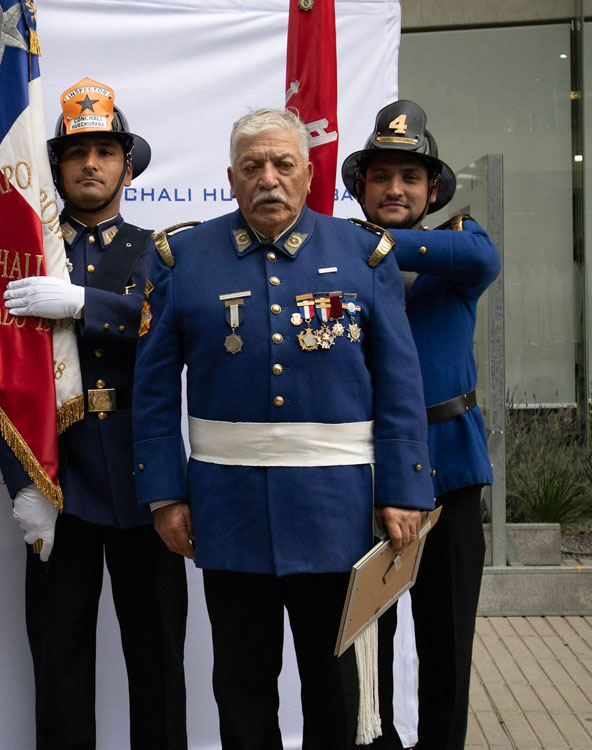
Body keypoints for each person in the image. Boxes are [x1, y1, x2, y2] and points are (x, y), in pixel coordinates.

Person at [132, 108, 435, 748]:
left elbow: (400, 384)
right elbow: (153, 391)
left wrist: (405, 489)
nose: (268, 178)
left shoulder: (363, 255)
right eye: (252, 166)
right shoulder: (182, 259)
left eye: (283, 164)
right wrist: (164, 494)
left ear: (308, 174)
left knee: (335, 686)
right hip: (228, 508)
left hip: (339, 509)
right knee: (241, 682)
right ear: (231, 179)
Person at [0, 78, 188, 749]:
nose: (91, 164)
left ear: (127, 166)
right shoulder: (27, 251)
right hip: (56, 476)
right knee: (59, 661)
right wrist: (22, 483)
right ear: (57, 166)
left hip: (145, 478)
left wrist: (82, 305)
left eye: (105, 151)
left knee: (158, 658)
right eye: (76, 153)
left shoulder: (160, 253)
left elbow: (171, 331)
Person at [342, 100, 501, 750]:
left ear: (433, 191)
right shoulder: (334, 265)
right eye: (381, 176)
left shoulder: (459, 249)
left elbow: (481, 257)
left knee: (447, 643)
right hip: (363, 477)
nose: (396, 189)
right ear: (361, 187)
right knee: (364, 650)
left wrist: (363, 242)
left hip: (448, 475)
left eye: (411, 177)